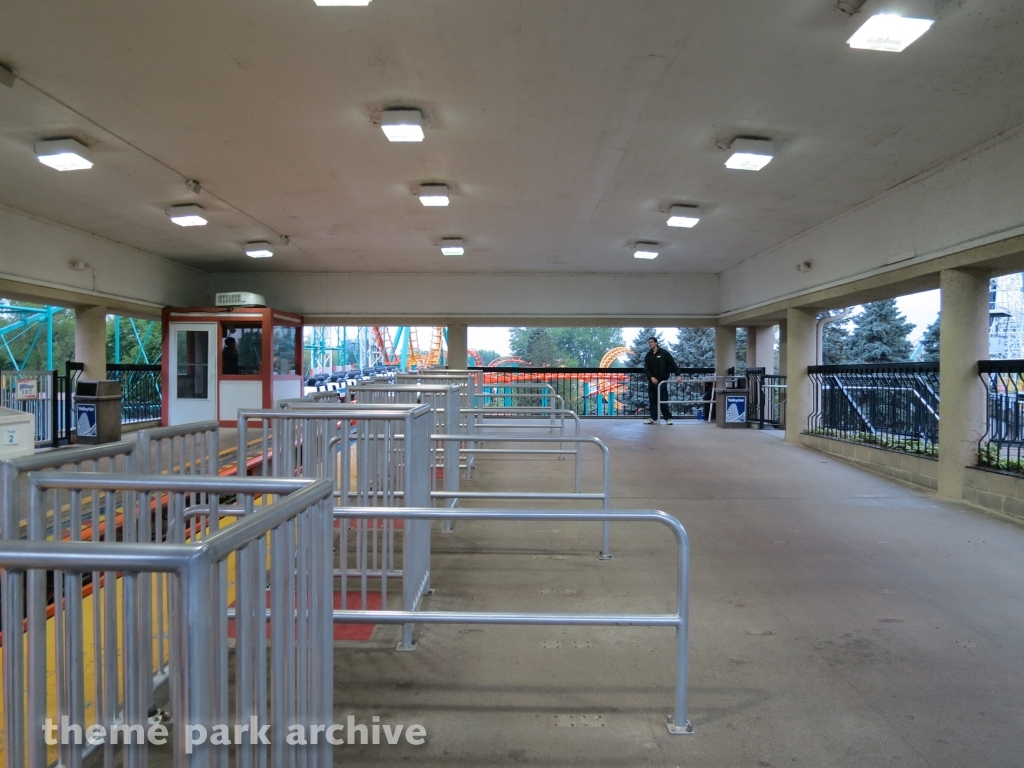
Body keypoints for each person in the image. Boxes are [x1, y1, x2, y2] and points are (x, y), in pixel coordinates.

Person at [643, 336, 678, 425]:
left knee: (663, 399)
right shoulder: (648, 355)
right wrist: (651, 377)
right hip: (652, 381)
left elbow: (672, 364)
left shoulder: (664, 353)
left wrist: (678, 374)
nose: (650, 344)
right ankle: (653, 418)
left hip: (662, 381)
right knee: (653, 400)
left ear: (656, 343)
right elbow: (647, 369)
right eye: (649, 342)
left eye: (651, 342)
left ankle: (668, 418)